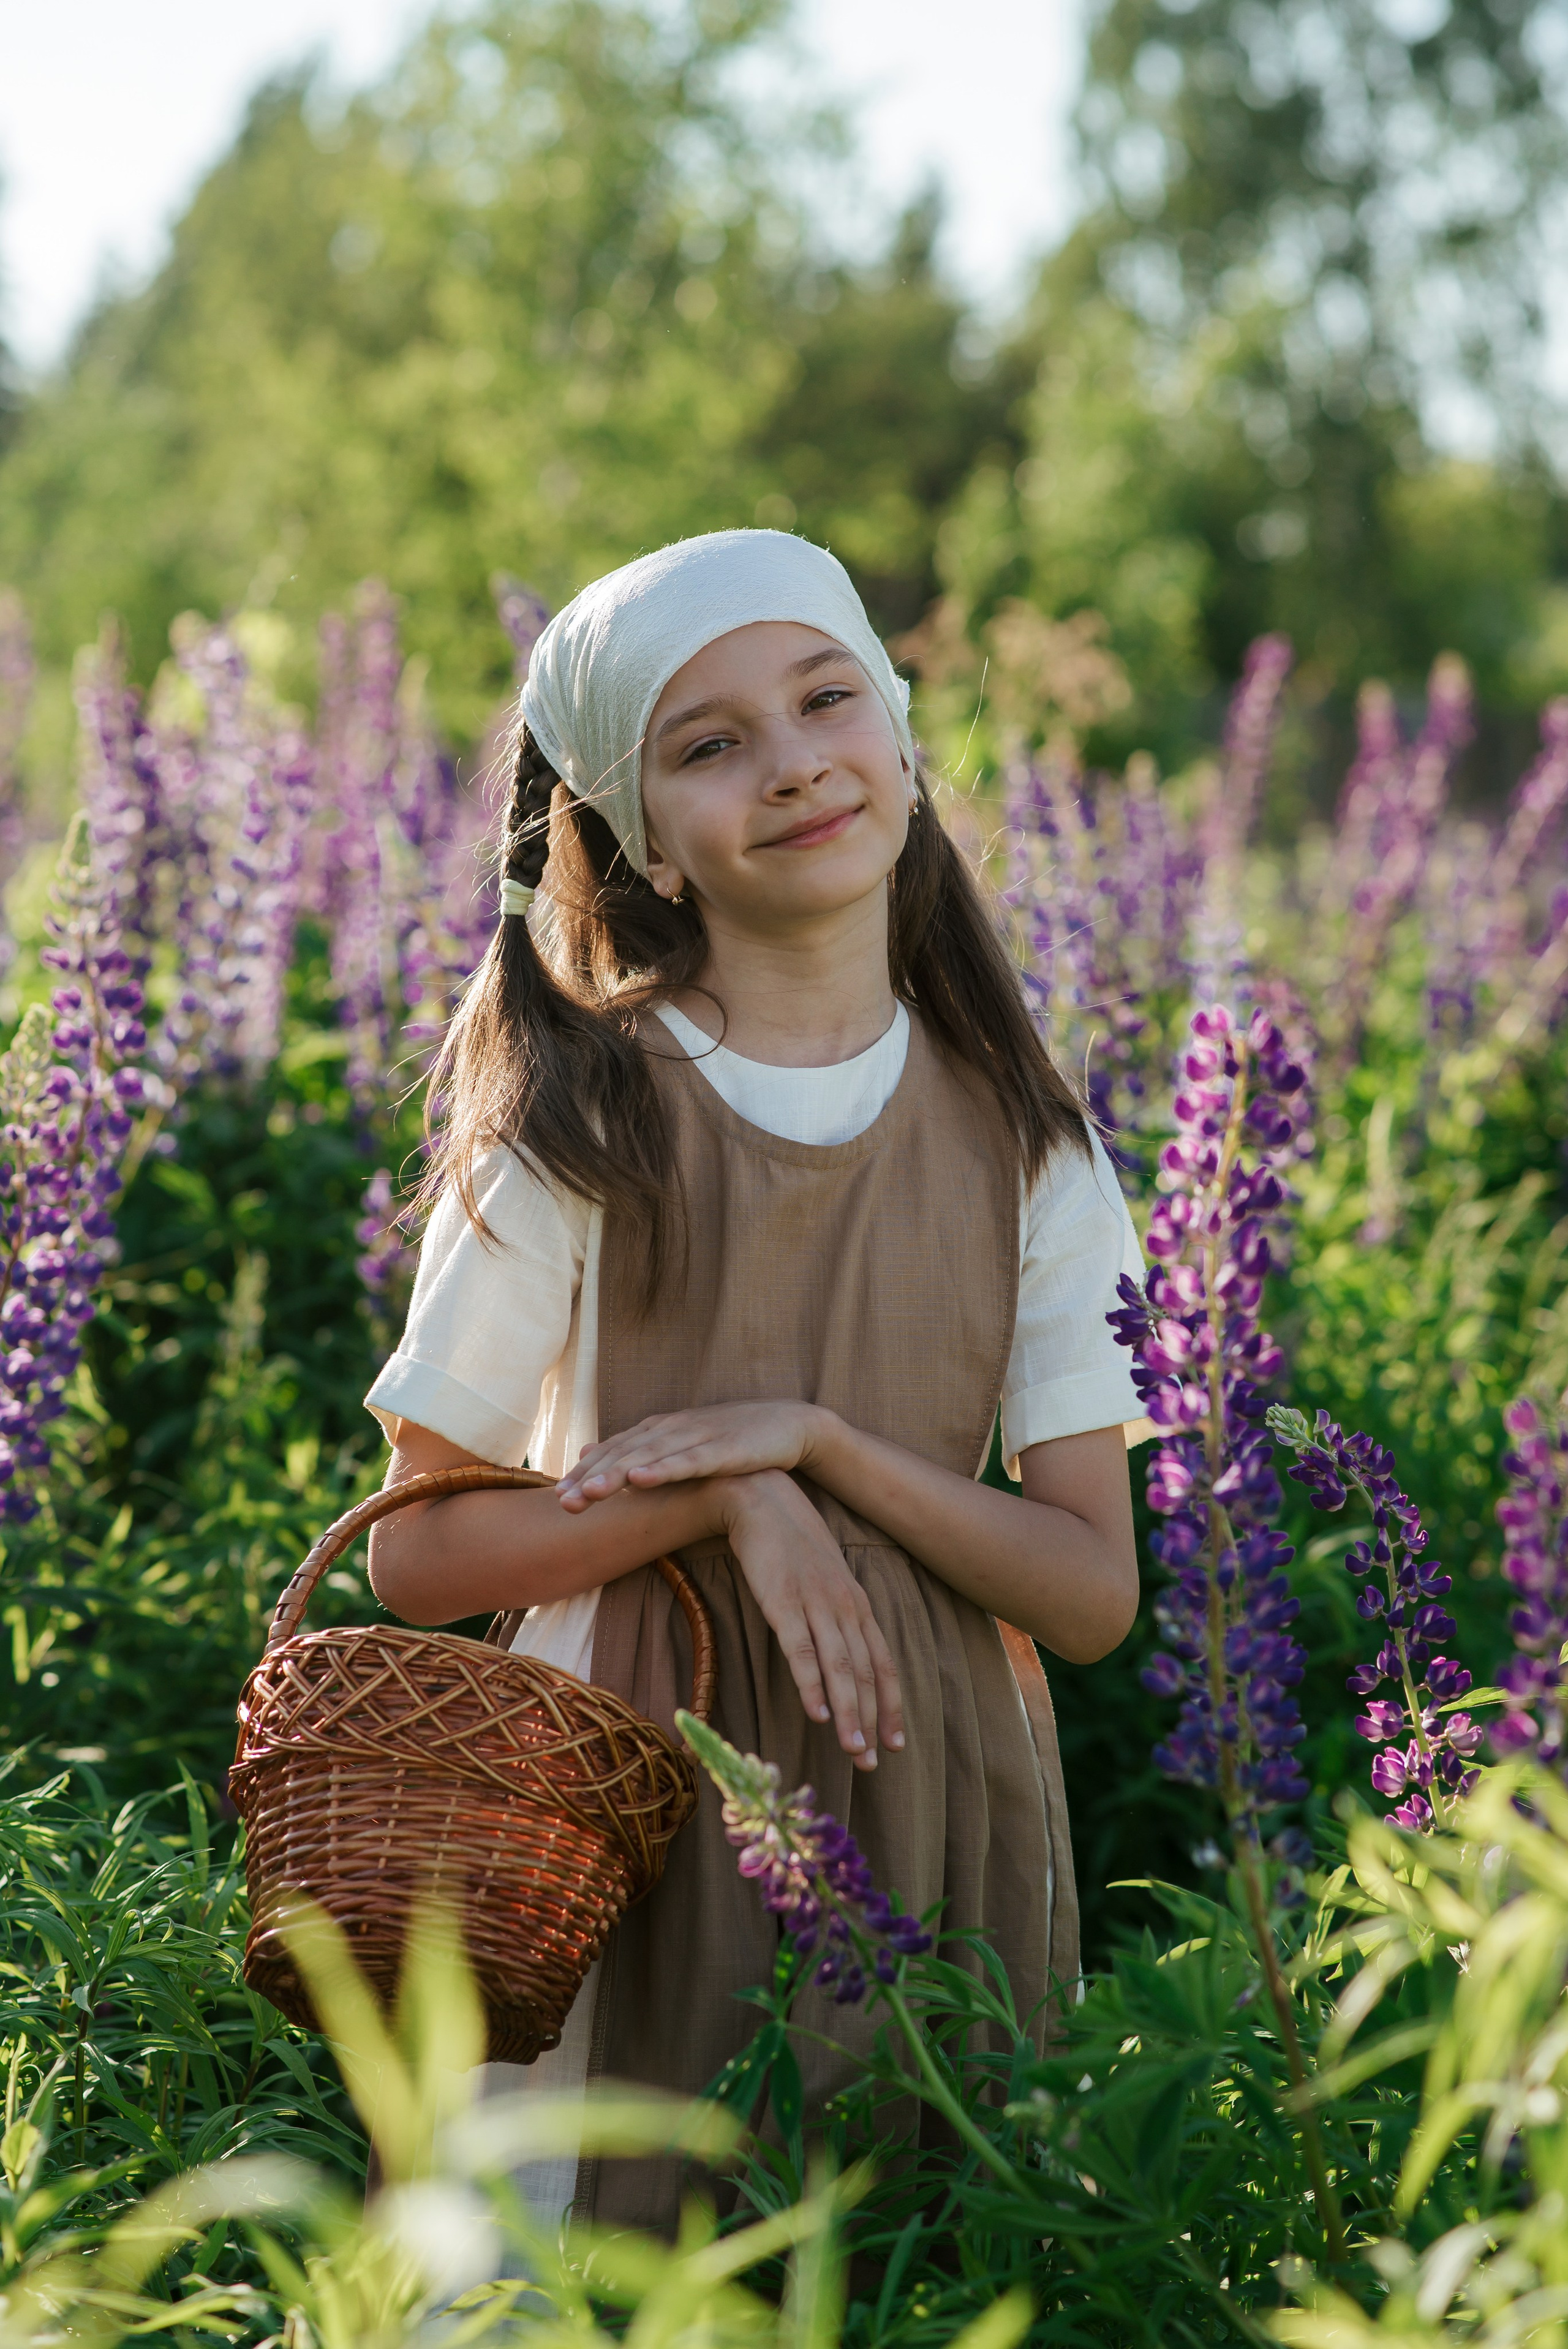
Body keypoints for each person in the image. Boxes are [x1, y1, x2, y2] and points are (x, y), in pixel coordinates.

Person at [363, 527, 1144, 2237]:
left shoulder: (1030, 1148)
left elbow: (1090, 1593)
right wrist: (725, 1493)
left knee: (894, 2253)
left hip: (933, 1796)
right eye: (709, 743)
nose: (793, 763)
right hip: (617, 1801)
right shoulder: (579, 1120)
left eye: (825, 696)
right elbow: (413, 1553)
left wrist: (823, 1446)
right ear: (643, 837)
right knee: (599, 2251)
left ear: (904, 729)